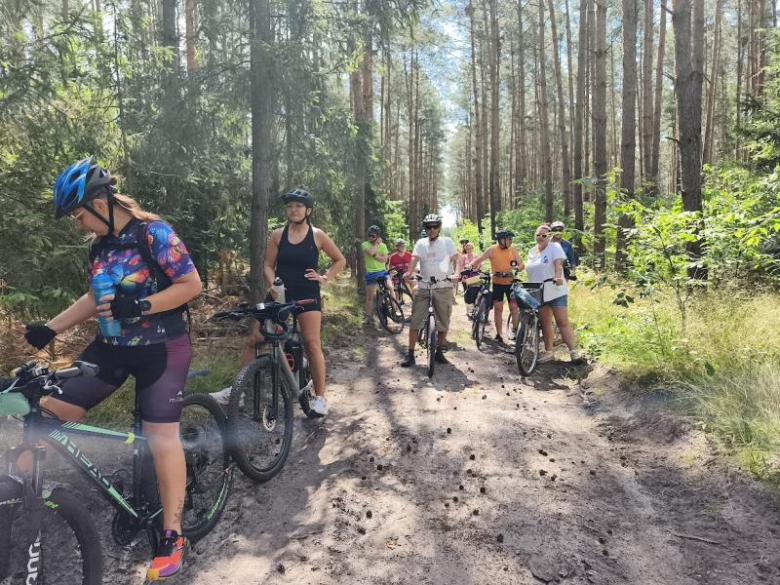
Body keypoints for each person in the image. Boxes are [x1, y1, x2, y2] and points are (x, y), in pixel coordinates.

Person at [23, 156, 202, 580]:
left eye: (79, 214)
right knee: (47, 413)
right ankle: (26, 502)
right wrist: (50, 328)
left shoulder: (155, 233)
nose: (78, 224)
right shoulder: (100, 246)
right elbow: (94, 297)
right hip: (110, 347)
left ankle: (173, 535)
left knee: (161, 437)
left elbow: (191, 285)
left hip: (163, 348)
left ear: (101, 202)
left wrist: (139, 304)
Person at [212, 189, 346, 417]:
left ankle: (320, 399)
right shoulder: (277, 235)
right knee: (256, 339)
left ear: (308, 210)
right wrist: (273, 283)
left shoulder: (317, 235)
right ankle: (237, 392)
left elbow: (340, 260)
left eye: (298, 206)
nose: (293, 210)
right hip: (280, 294)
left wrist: (324, 278)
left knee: (312, 343)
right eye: (290, 206)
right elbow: (267, 264)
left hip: (307, 293)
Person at [400, 214, 459, 367]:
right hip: (424, 286)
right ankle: (411, 354)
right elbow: (414, 259)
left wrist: (457, 273)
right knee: (415, 321)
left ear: (439, 227)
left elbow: (456, 258)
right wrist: (409, 272)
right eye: (428, 227)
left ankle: (439, 351)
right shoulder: (420, 243)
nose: (431, 230)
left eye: (435, 227)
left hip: (443, 286)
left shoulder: (447, 242)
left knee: (444, 321)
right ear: (425, 228)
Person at [525, 224, 579, 363]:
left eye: (544, 235)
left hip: (555, 289)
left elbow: (558, 264)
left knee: (562, 321)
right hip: (539, 291)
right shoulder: (532, 251)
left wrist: (558, 276)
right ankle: (549, 352)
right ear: (535, 236)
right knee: (545, 323)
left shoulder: (554, 247)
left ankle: (574, 353)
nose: (541, 237)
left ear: (549, 236)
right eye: (539, 235)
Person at [468, 230, 525, 343]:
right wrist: (469, 267)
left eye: (511, 239)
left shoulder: (513, 250)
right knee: (498, 309)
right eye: (509, 239)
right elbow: (478, 260)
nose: (511, 241)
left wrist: (516, 269)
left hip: (511, 283)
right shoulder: (492, 250)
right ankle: (499, 334)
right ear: (501, 240)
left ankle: (515, 331)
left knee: (514, 307)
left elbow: (521, 264)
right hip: (497, 283)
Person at [362, 225, 398, 325]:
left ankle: (394, 310)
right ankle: (368, 317)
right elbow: (372, 251)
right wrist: (377, 244)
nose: (370, 237)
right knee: (370, 296)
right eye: (369, 235)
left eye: (373, 236)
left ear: (377, 236)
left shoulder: (384, 246)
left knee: (390, 287)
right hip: (371, 273)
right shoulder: (365, 244)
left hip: (382, 271)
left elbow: (384, 259)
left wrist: (374, 255)